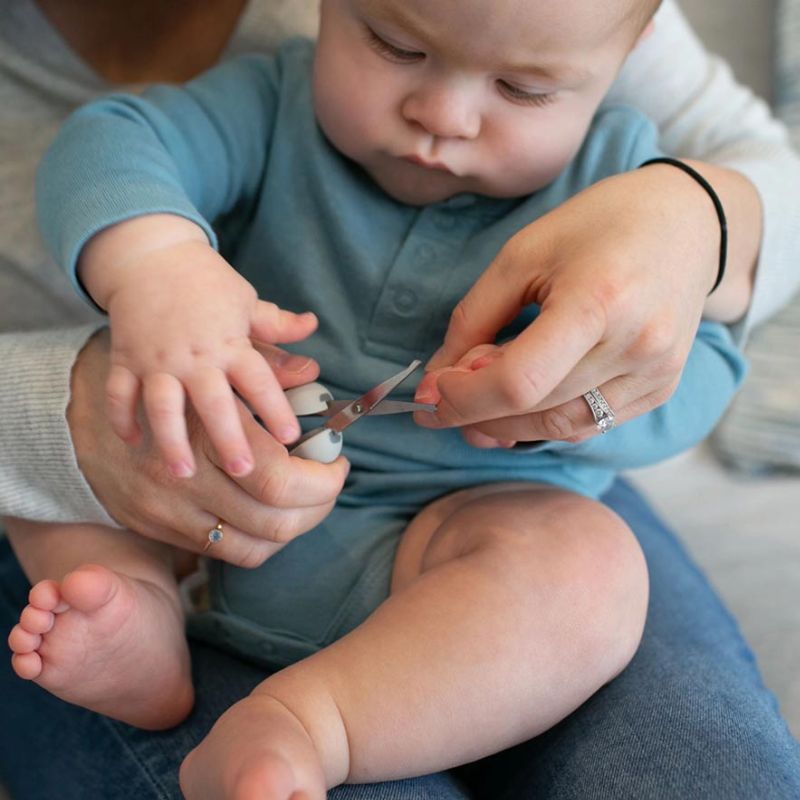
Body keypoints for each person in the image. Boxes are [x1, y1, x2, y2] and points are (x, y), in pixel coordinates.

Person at [1, 1, 799, 799]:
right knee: (80, 465)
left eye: (522, 90)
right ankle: (139, 619)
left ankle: (311, 723)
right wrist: (157, 264)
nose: (442, 117)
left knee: (591, 573)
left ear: (626, 64)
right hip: (203, 487)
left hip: (456, 535)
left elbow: (703, 367)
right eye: (393, 45)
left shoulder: (622, 179)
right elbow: (115, 140)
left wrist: (579, 404)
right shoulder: (273, 104)